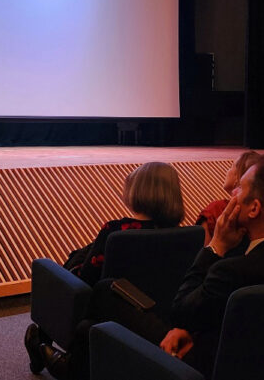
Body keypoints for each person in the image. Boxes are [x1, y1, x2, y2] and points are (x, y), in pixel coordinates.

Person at [83, 156, 264, 377]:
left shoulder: (231, 272)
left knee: (97, 308)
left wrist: (215, 246)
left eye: (241, 188)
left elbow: (181, 313)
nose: (234, 192)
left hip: (195, 367)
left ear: (254, 209)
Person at [25, 161, 185, 377]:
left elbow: (86, 279)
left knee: (66, 274)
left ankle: (41, 346)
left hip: (106, 309)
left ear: (136, 191)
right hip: (153, 314)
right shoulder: (185, 235)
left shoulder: (115, 231)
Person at [194, 150, 261, 246]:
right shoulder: (260, 211)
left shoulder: (216, 209)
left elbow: (204, 251)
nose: (227, 171)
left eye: (231, 167)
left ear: (238, 176)